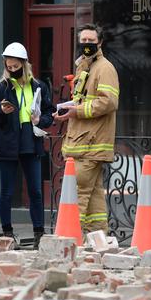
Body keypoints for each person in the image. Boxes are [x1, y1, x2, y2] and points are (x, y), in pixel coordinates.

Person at [0, 42, 54, 249]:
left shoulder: (39, 86)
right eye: (9, 66)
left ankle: (39, 234)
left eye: (16, 66)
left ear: (24, 64)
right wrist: (0, 111)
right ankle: (7, 233)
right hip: (7, 143)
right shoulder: (1, 87)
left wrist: (40, 121)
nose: (12, 70)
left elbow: (49, 113)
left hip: (31, 142)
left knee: (35, 191)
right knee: (7, 191)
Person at [54, 23, 119, 234]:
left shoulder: (104, 68)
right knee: (94, 197)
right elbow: (82, 101)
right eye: (83, 41)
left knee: (77, 193)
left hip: (90, 144)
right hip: (84, 143)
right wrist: (67, 111)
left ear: (100, 43)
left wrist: (77, 111)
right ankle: (98, 239)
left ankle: (70, 239)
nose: (87, 45)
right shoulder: (85, 67)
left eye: (91, 41)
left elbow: (109, 102)